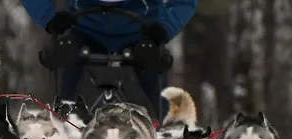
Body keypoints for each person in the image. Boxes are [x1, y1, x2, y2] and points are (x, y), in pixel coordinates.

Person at [21, 0, 199, 124]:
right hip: (83, 28)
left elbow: (184, 1)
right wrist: (50, 19)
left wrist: (166, 27)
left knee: (154, 70)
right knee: (65, 60)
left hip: (143, 30)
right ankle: (63, 136)